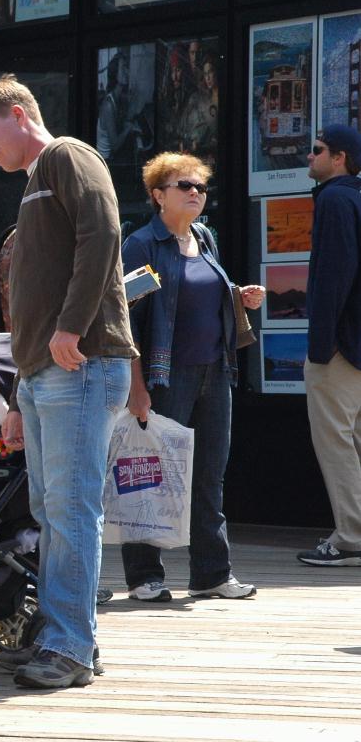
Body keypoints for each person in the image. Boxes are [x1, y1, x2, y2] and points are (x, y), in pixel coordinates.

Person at [0, 74, 136, 688]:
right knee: (52, 510)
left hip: (77, 364)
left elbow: (104, 234)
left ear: (18, 114)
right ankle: (70, 639)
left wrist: (71, 328)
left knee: (68, 510)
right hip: (44, 374)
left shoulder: (66, 155)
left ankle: (68, 646)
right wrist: (16, 396)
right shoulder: (36, 184)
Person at [121, 152, 262, 601]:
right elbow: (125, 320)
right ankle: (144, 576)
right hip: (165, 375)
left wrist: (239, 296)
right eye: (185, 186)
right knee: (151, 472)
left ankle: (211, 573)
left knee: (208, 474)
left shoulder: (205, 238)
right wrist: (136, 386)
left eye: (200, 186)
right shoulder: (142, 245)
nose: (196, 194)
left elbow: (200, 295)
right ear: (158, 195)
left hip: (215, 371)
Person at [298, 125, 361, 566]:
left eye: (316, 150)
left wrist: (320, 346)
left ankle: (352, 536)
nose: (309, 156)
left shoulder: (336, 199)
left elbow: (334, 276)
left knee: (337, 442)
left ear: (338, 158)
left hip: (340, 347)